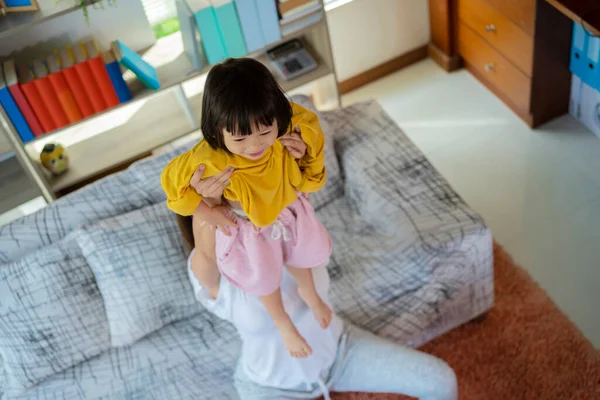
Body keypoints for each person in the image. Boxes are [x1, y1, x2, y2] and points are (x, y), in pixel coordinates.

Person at [178, 209, 459, 400]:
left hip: (340, 353)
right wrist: (205, 203)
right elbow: (206, 251)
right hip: (272, 389)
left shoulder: (287, 228)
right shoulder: (214, 275)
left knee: (440, 381)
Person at [162, 58, 334, 358]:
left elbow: (311, 137)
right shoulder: (211, 158)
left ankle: (310, 292)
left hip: (284, 210)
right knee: (265, 273)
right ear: (218, 131)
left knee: (298, 250)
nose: (254, 146)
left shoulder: (286, 127)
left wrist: (305, 151)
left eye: (265, 133)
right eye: (240, 138)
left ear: (276, 117)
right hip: (247, 225)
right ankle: (282, 323)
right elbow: (172, 184)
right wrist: (208, 210)